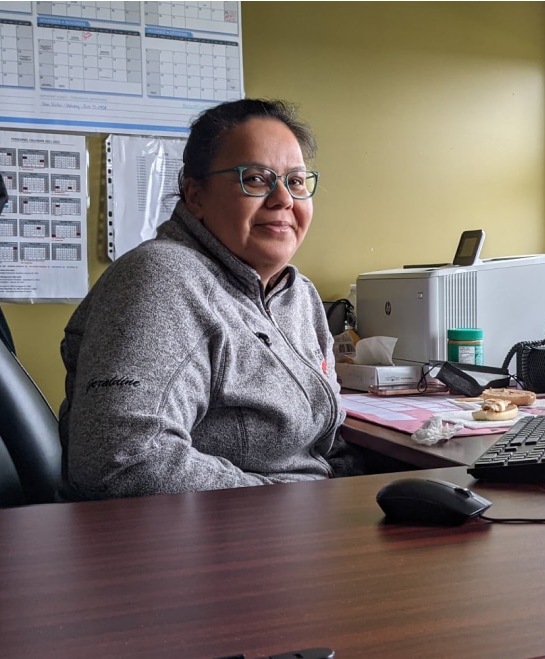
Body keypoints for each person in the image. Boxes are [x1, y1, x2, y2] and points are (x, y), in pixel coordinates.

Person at [59, 98, 361, 499]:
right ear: (195, 196)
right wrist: (291, 506)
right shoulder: (161, 279)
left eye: (297, 181)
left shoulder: (296, 293)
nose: (283, 199)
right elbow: (121, 460)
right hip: (224, 540)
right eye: (256, 179)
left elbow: (324, 445)